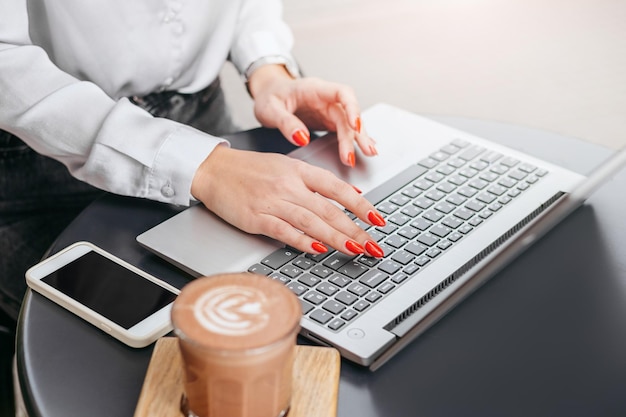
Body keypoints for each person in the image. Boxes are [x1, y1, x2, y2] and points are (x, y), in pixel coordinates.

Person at [0, 1, 387, 323]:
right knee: (177, 345)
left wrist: (269, 71)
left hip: (208, 125)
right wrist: (207, 167)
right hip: (37, 158)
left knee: (298, 310)